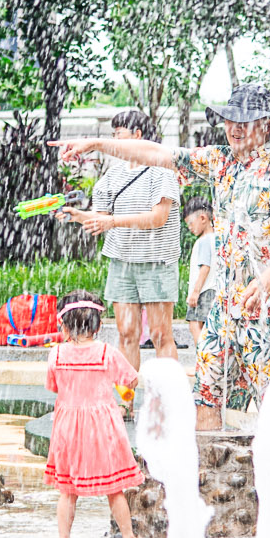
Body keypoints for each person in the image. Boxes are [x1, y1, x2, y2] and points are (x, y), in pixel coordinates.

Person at [56, 84, 270, 431]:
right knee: (207, 395)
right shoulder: (221, 160)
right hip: (223, 311)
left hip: (268, 312)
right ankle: (209, 480)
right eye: (229, 120)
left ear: (267, 124)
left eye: (245, 121)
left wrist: (268, 277)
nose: (235, 128)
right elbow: (159, 153)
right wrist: (97, 144)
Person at [65, 109, 181, 371]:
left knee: (161, 335)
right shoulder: (112, 175)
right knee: (126, 334)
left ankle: (169, 402)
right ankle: (125, 403)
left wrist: (114, 222)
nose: (114, 141)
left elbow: (158, 217)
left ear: (137, 135)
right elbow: (101, 217)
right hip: (121, 262)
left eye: (119, 135)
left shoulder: (161, 169)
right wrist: (77, 216)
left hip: (156, 262)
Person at [40, 291, 141, 538]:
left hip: (68, 429)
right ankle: (128, 536)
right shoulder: (107, 353)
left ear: (64, 324)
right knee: (114, 488)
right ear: (97, 324)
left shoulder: (57, 354)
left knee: (67, 491)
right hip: (102, 428)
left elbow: (53, 386)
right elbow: (132, 379)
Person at [184, 200, 216, 351]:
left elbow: (205, 267)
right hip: (213, 289)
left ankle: (203, 361)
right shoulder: (217, 238)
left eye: (191, 223)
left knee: (194, 325)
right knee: (209, 329)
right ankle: (209, 360)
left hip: (203, 291)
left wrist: (195, 292)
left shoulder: (204, 241)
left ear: (203, 218)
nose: (189, 228)